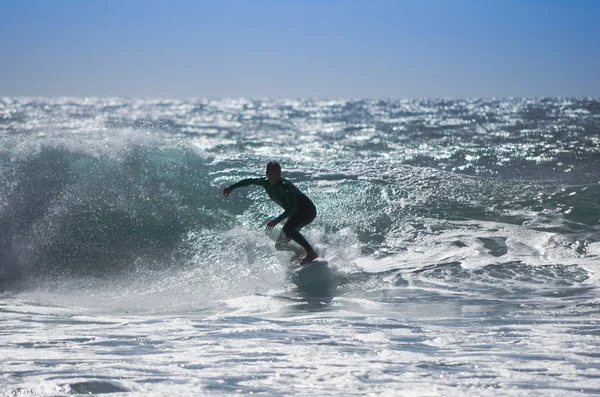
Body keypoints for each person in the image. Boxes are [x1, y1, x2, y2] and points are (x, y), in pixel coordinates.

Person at [223, 161, 318, 265]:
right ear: (267, 173)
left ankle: (310, 252)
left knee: (289, 229)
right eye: (274, 173)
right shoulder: (265, 182)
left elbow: (293, 207)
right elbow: (249, 181)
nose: (277, 175)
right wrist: (231, 187)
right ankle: (298, 251)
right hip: (296, 214)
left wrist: (277, 220)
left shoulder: (285, 186)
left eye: (279, 173)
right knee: (279, 245)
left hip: (307, 211)